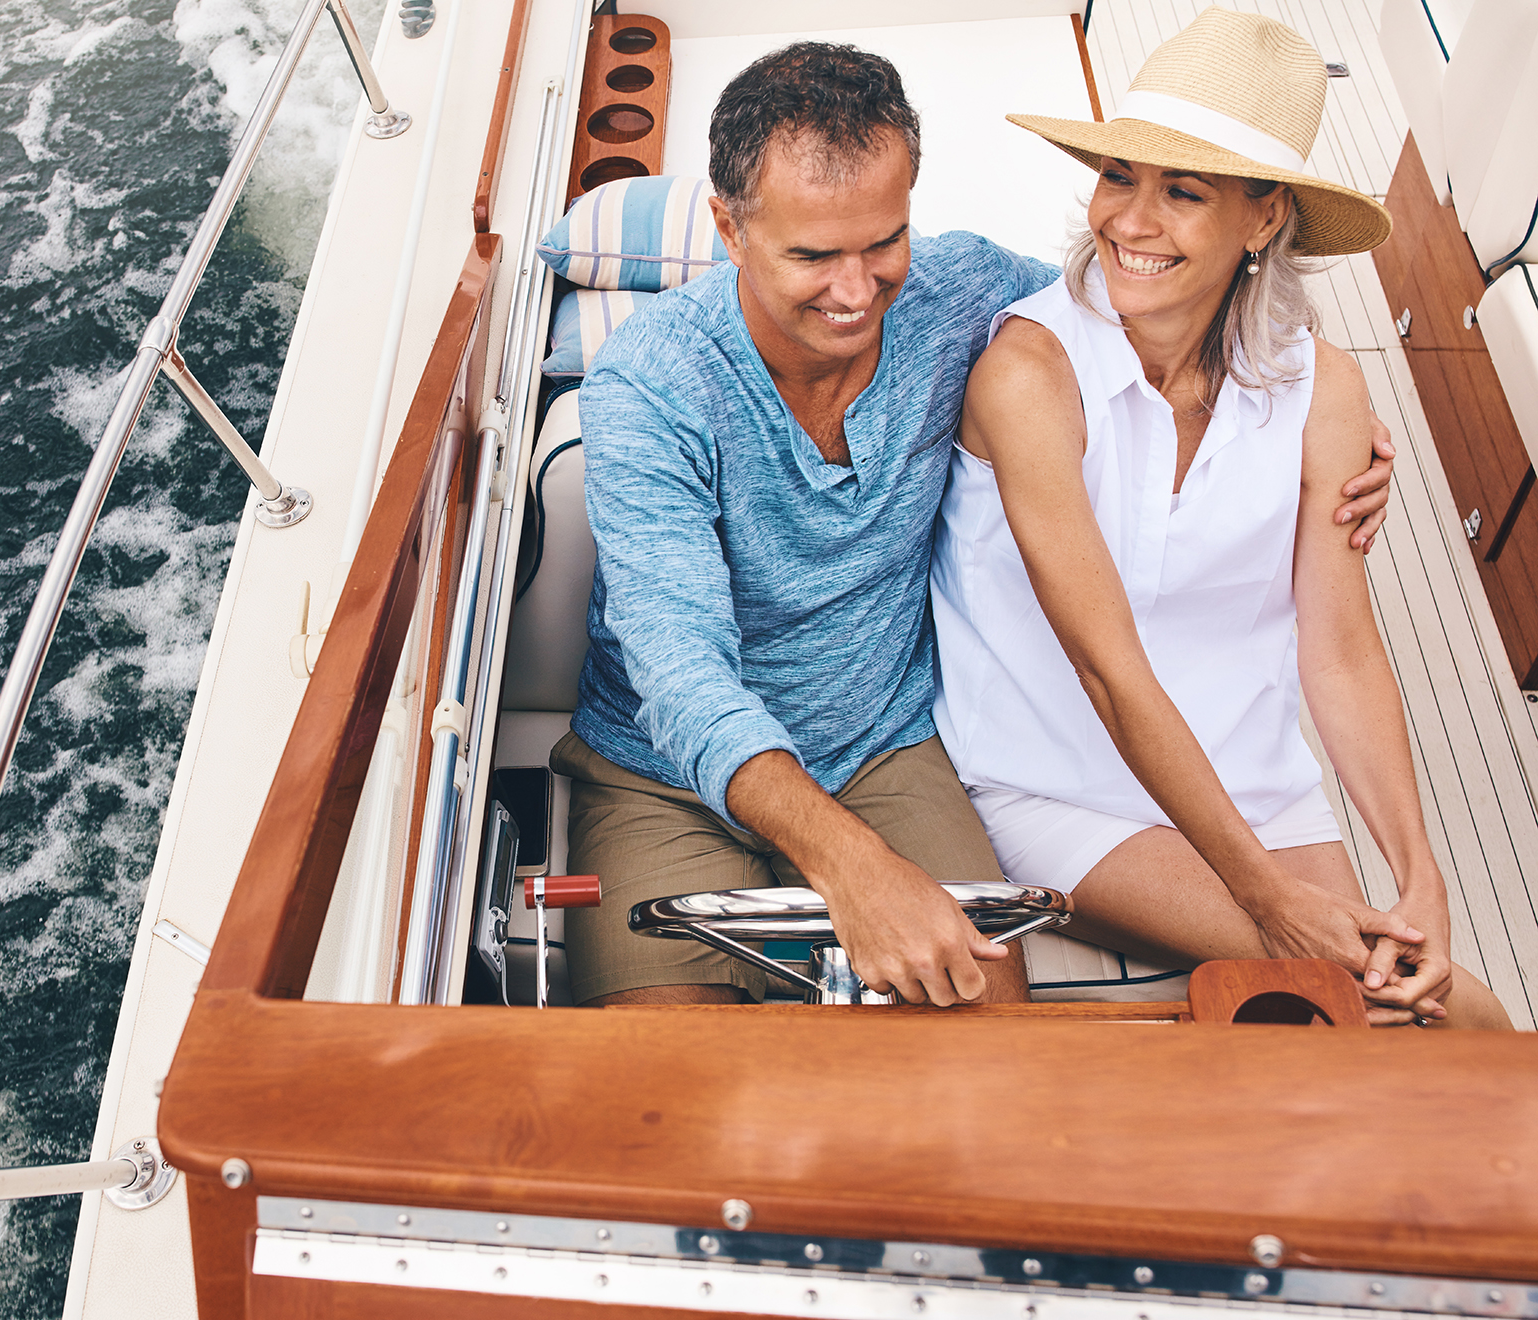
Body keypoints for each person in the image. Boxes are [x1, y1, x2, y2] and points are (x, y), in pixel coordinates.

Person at [556, 41, 1396, 1011]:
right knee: (668, 1078)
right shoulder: (648, 385)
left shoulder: (958, 292)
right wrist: (854, 868)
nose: (855, 292)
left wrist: (1330, 428)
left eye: (883, 243)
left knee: (993, 1056)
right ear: (729, 230)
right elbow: (683, 678)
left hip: (885, 751)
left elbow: (1152, 295)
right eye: (813, 256)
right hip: (663, 780)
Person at [933, 8, 1510, 1028]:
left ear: (1263, 219)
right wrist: (1270, 900)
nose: (1130, 221)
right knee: (1417, 1008)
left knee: (1451, 1019)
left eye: (1183, 192)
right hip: (1053, 783)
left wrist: (1421, 877)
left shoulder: (1325, 390)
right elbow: (1108, 672)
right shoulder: (1029, 376)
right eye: (1119, 177)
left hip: (1251, 778)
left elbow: (1340, 651)